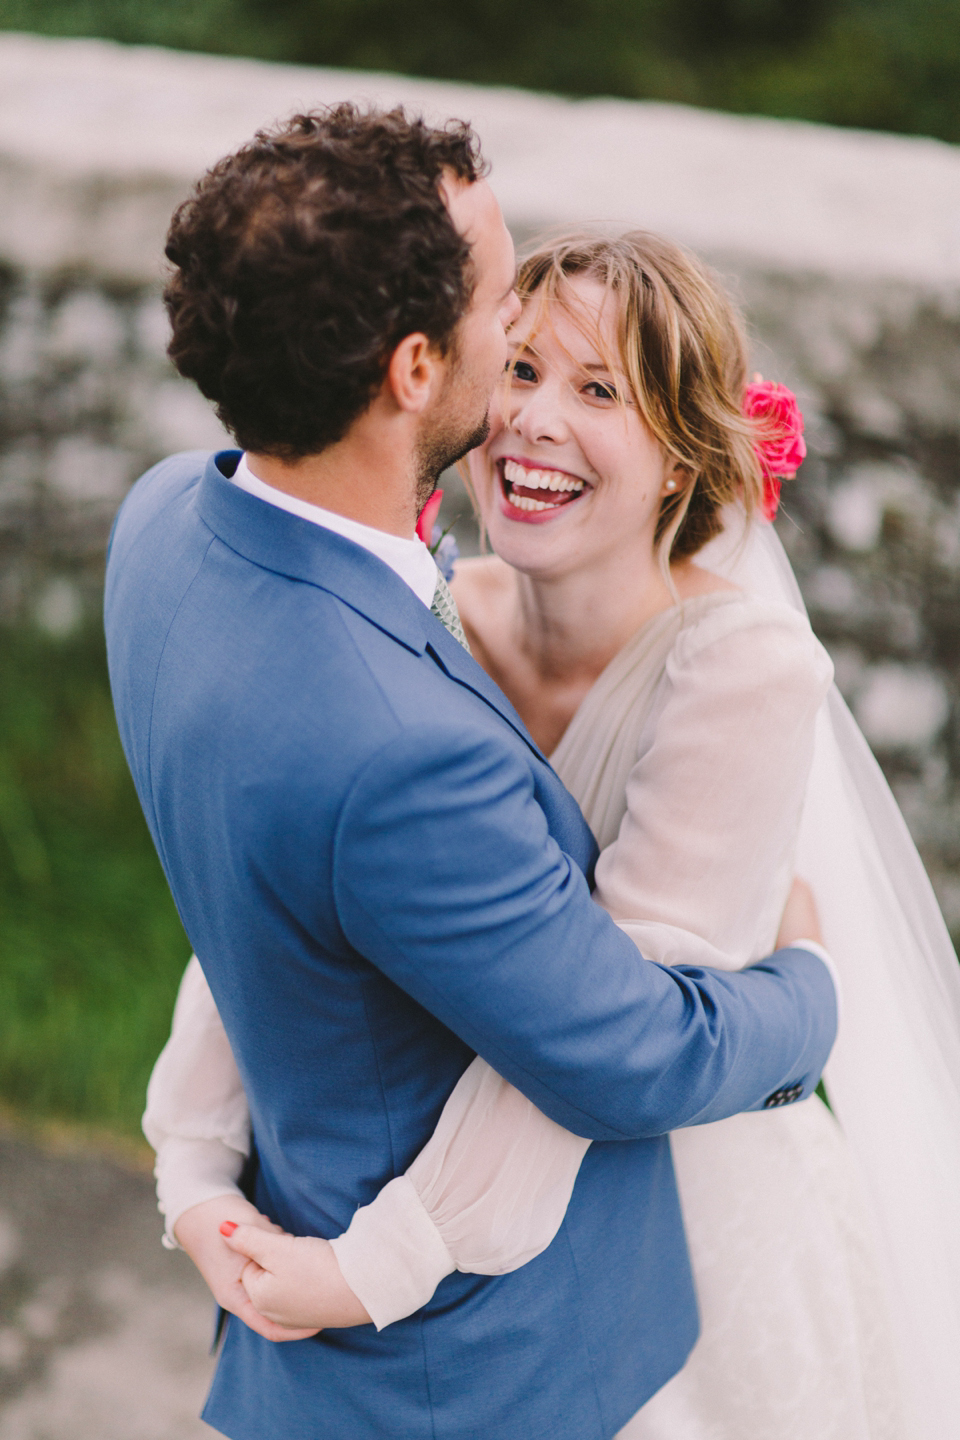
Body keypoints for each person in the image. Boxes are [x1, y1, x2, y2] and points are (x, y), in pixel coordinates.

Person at [147, 227, 960, 1439]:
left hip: (673, 1209)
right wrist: (194, 1160)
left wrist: (384, 1263)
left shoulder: (743, 675)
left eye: (597, 392)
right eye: (519, 371)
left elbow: (609, 1051)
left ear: (684, 462)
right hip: (431, 1180)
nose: (533, 419)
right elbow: (277, 883)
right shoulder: (433, 606)